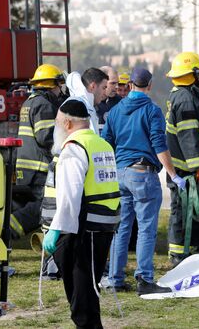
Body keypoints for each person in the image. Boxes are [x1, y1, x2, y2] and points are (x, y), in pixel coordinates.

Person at [102, 67, 184, 294]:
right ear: (149, 86)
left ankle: (115, 279)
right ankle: (145, 280)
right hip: (142, 173)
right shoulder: (152, 110)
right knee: (146, 229)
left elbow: (106, 142)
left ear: (129, 86)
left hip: (119, 174)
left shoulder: (116, 111)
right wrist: (174, 175)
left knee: (122, 228)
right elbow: (159, 144)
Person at [43, 99, 120, 329]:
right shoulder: (102, 144)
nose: (55, 128)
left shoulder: (73, 148)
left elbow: (70, 196)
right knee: (89, 291)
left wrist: (56, 230)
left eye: (57, 123)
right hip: (102, 227)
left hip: (80, 231)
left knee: (81, 296)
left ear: (67, 123)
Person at [165, 51, 199, 266]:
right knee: (182, 212)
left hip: (185, 167)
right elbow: (188, 138)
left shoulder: (184, 94)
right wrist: (197, 167)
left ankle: (189, 251)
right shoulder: (186, 99)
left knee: (188, 213)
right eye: (198, 72)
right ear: (191, 74)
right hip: (186, 169)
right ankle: (179, 255)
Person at [11, 64, 66, 238]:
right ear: (52, 85)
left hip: (26, 166)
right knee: (47, 203)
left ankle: (14, 226)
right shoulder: (44, 105)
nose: (60, 91)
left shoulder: (29, 102)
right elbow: (46, 137)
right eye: (59, 85)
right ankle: (13, 227)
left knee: (35, 202)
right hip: (38, 167)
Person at [66, 67, 108, 134]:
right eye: (103, 88)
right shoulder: (82, 108)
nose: (105, 92)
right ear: (93, 86)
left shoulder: (84, 104)